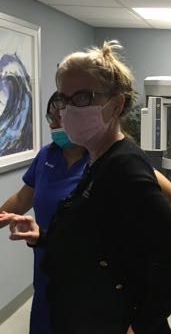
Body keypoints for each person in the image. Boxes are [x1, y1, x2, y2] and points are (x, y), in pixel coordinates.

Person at [0, 40, 171, 334]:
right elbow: (95, 242)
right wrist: (42, 237)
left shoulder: (125, 167)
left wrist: (140, 325)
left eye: (82, 97)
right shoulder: (98, 160)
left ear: (116, 105)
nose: (67, 110)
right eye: (64, 99)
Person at [0, 91, 89, 334]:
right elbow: (22, 199)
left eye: (60, 117)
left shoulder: (105, 157)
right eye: (51, 118)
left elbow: (167, 194)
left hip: (87, 271)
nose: (53, 125)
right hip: (47, 263)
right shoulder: (46, 155)